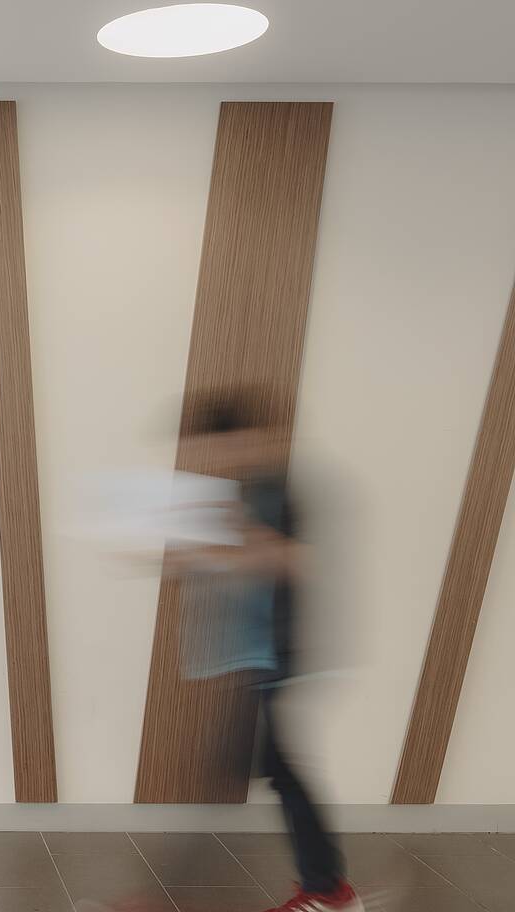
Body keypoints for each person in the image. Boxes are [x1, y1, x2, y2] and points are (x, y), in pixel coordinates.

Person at [166, 387, 362, 912]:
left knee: (249, 774)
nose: (217, 457)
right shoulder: (251, 491)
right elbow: (244, 565)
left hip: (277, 656)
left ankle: (327, 890)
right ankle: (328, 888)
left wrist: (237, 536)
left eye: (221, 444)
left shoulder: (282, 492)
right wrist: (194, 555)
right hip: (252, 656)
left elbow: (300, 563)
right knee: (273, 772)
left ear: (250, 437)